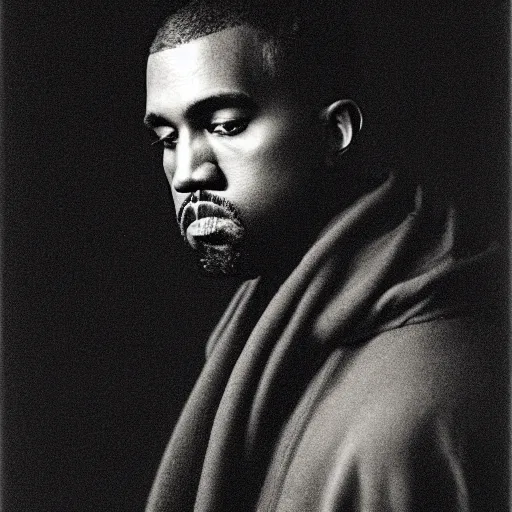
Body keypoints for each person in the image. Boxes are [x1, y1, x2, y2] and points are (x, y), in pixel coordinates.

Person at [143, 1, 508, 510]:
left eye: (225, 125)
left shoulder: (421, 407)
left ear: (335, 132)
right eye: (167, 137)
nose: (187, 172)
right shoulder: (247, 333)